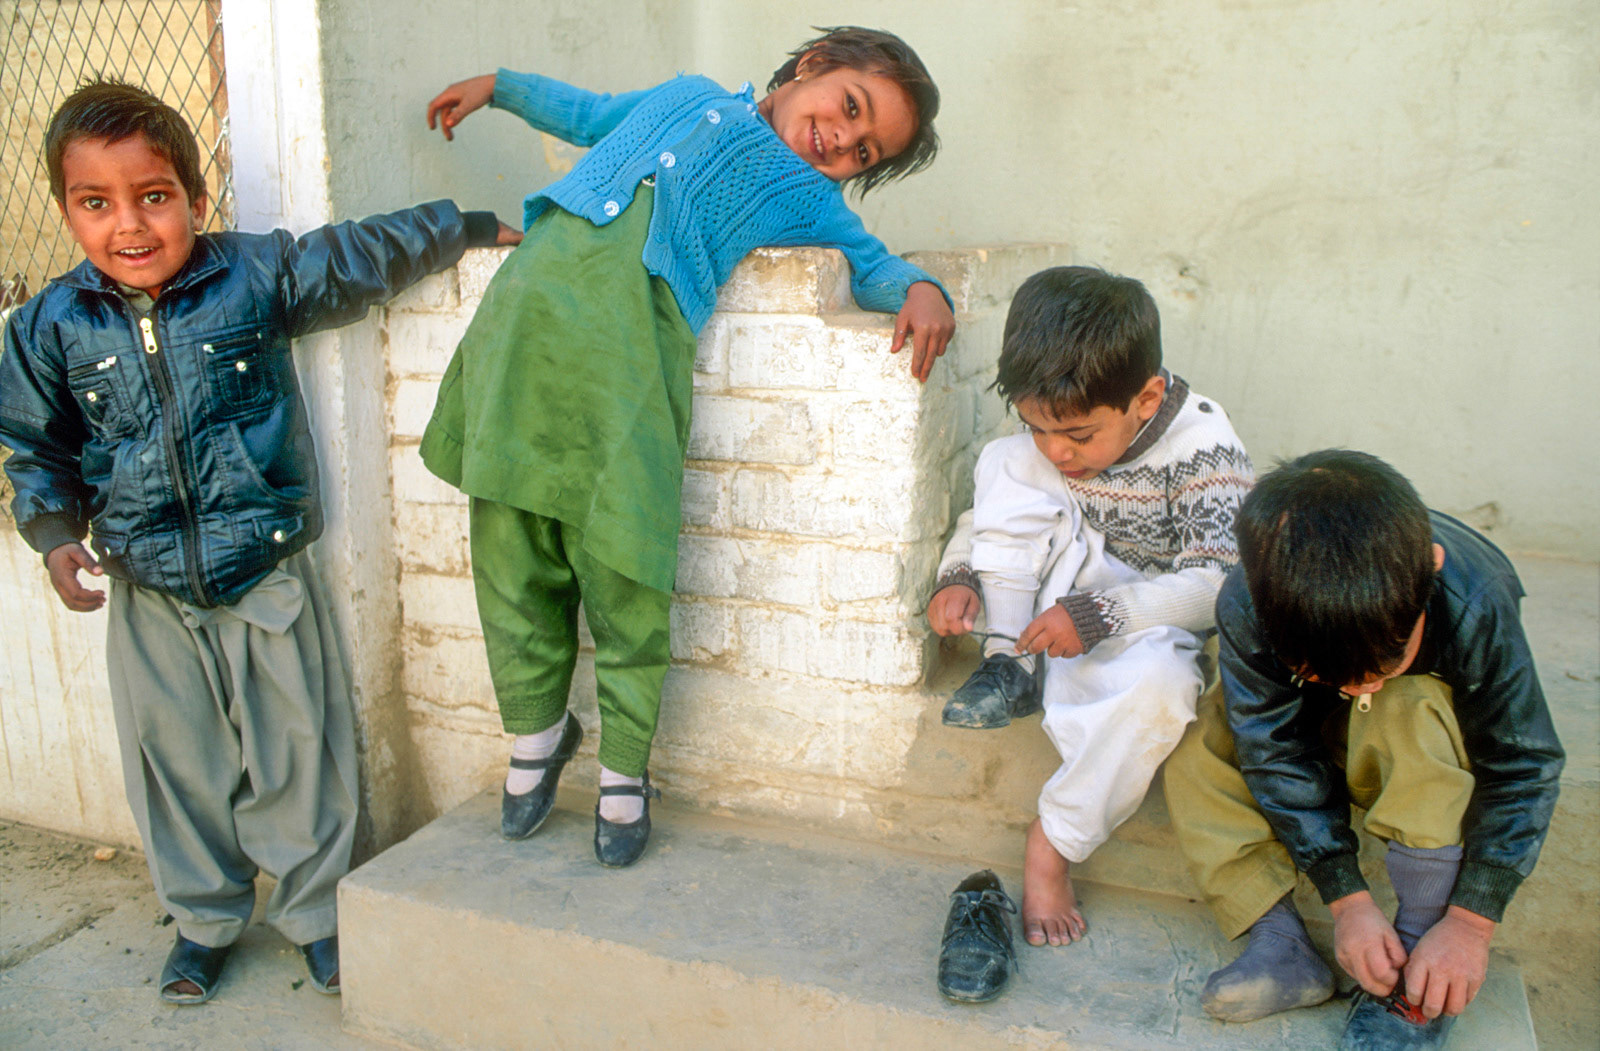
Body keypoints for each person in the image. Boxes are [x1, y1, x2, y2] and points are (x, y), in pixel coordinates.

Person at [0, 78, 517, 1005]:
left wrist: (467, 225)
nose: (130, 225)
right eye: (96, 203)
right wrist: (51, 535)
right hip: (148, 588)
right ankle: (202, 921)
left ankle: (317, 917)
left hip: (264, 572)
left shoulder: (254, 275)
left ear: (197, 203)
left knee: (296, 755)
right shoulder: (49, 328)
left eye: (154, 197)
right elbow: (36, 445)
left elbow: (358, 255)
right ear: (69, 213)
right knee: (177, 765)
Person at [418, 26, 956, 867]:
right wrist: (499, 84)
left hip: (631, 371)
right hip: (523, 338)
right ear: (813, 66)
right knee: (509, 548)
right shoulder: (683, 94)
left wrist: (922, 288)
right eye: (850, 108)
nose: (843, 141)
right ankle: (535, 736)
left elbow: (870, 262)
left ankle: (624, 770)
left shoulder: (803, 193)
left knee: (625, 564)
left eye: (864, 150)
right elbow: (589, 113)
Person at [1162, 450, 1563, 1049]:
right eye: (1328, 674)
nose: (1358, 688)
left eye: (1382, 663)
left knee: (1401, 704)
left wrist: (1470, 924)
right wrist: (1347, 901)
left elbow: (1523, 764)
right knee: (1197, 747)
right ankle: (1282, 945)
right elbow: (1269, 748)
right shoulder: (1249, 600)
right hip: (1315, 736)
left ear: (1431, 571)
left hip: (1414, 747)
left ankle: (1418, 961)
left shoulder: (1476, 600)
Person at [927, 266, 1254, 984]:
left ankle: (1054, 843)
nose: (1056, 450)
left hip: (1150, 603)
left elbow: (1220, 585)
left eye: (1075, 433)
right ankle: (1006, 659)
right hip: (1059, 581)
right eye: (1038, 424)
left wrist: (1102, 614)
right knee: (1002, 459)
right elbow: (996, 505)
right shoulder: (1046, 439)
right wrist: (962, 573)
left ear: (1143, 398)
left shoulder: (1203, 445)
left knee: (1166, 691)